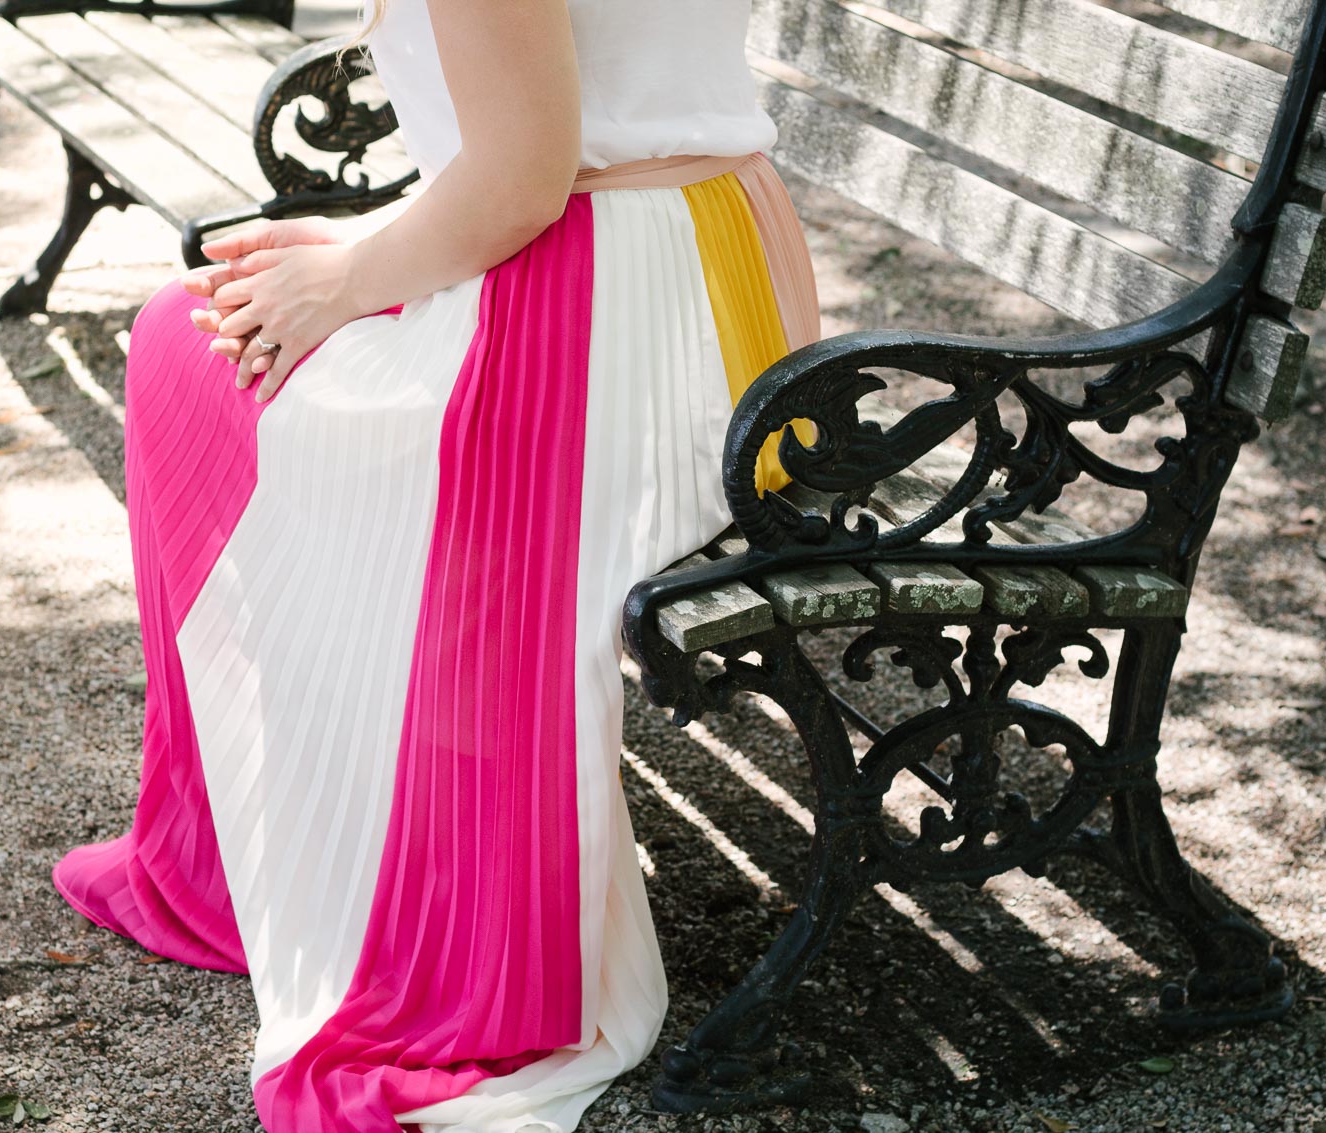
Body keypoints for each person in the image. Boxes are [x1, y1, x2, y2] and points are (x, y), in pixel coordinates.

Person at [52, 0, 819, 1128]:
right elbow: (590, 114)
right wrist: (369, 248)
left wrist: (343, 280)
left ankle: (316, 882)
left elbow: (521, 177)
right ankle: (270, 847)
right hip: (721, 280)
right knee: (197, 332)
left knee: (191, 351)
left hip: (608, 308)